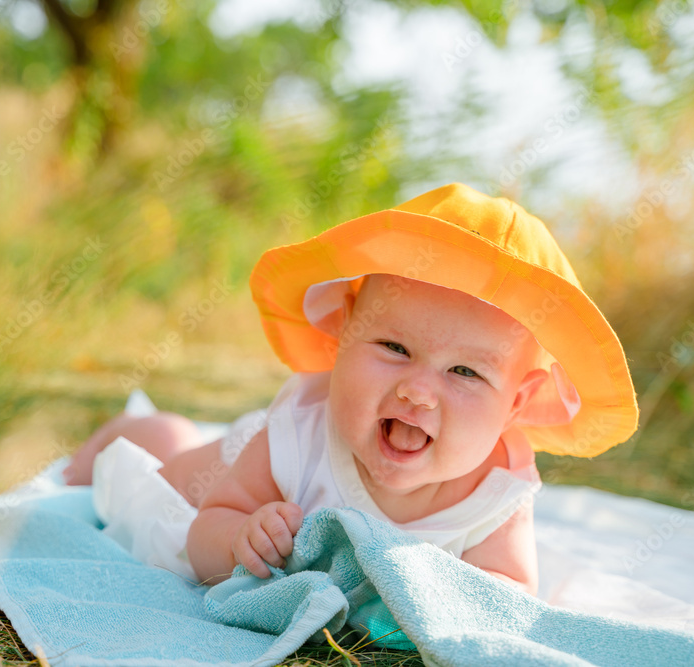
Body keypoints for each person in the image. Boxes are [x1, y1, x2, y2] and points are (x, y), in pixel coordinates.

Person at [63, 182, 639, 594]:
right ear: (343, 336)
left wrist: (433, 596)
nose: (418, 393)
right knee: (159, 452)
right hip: (220, 469)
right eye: (395, 348)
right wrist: (239, 534)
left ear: (515, 403)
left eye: (464, 372)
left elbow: (506, 591)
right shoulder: (299, 434)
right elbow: (205, 530)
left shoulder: (496, 495)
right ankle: (115, 437)